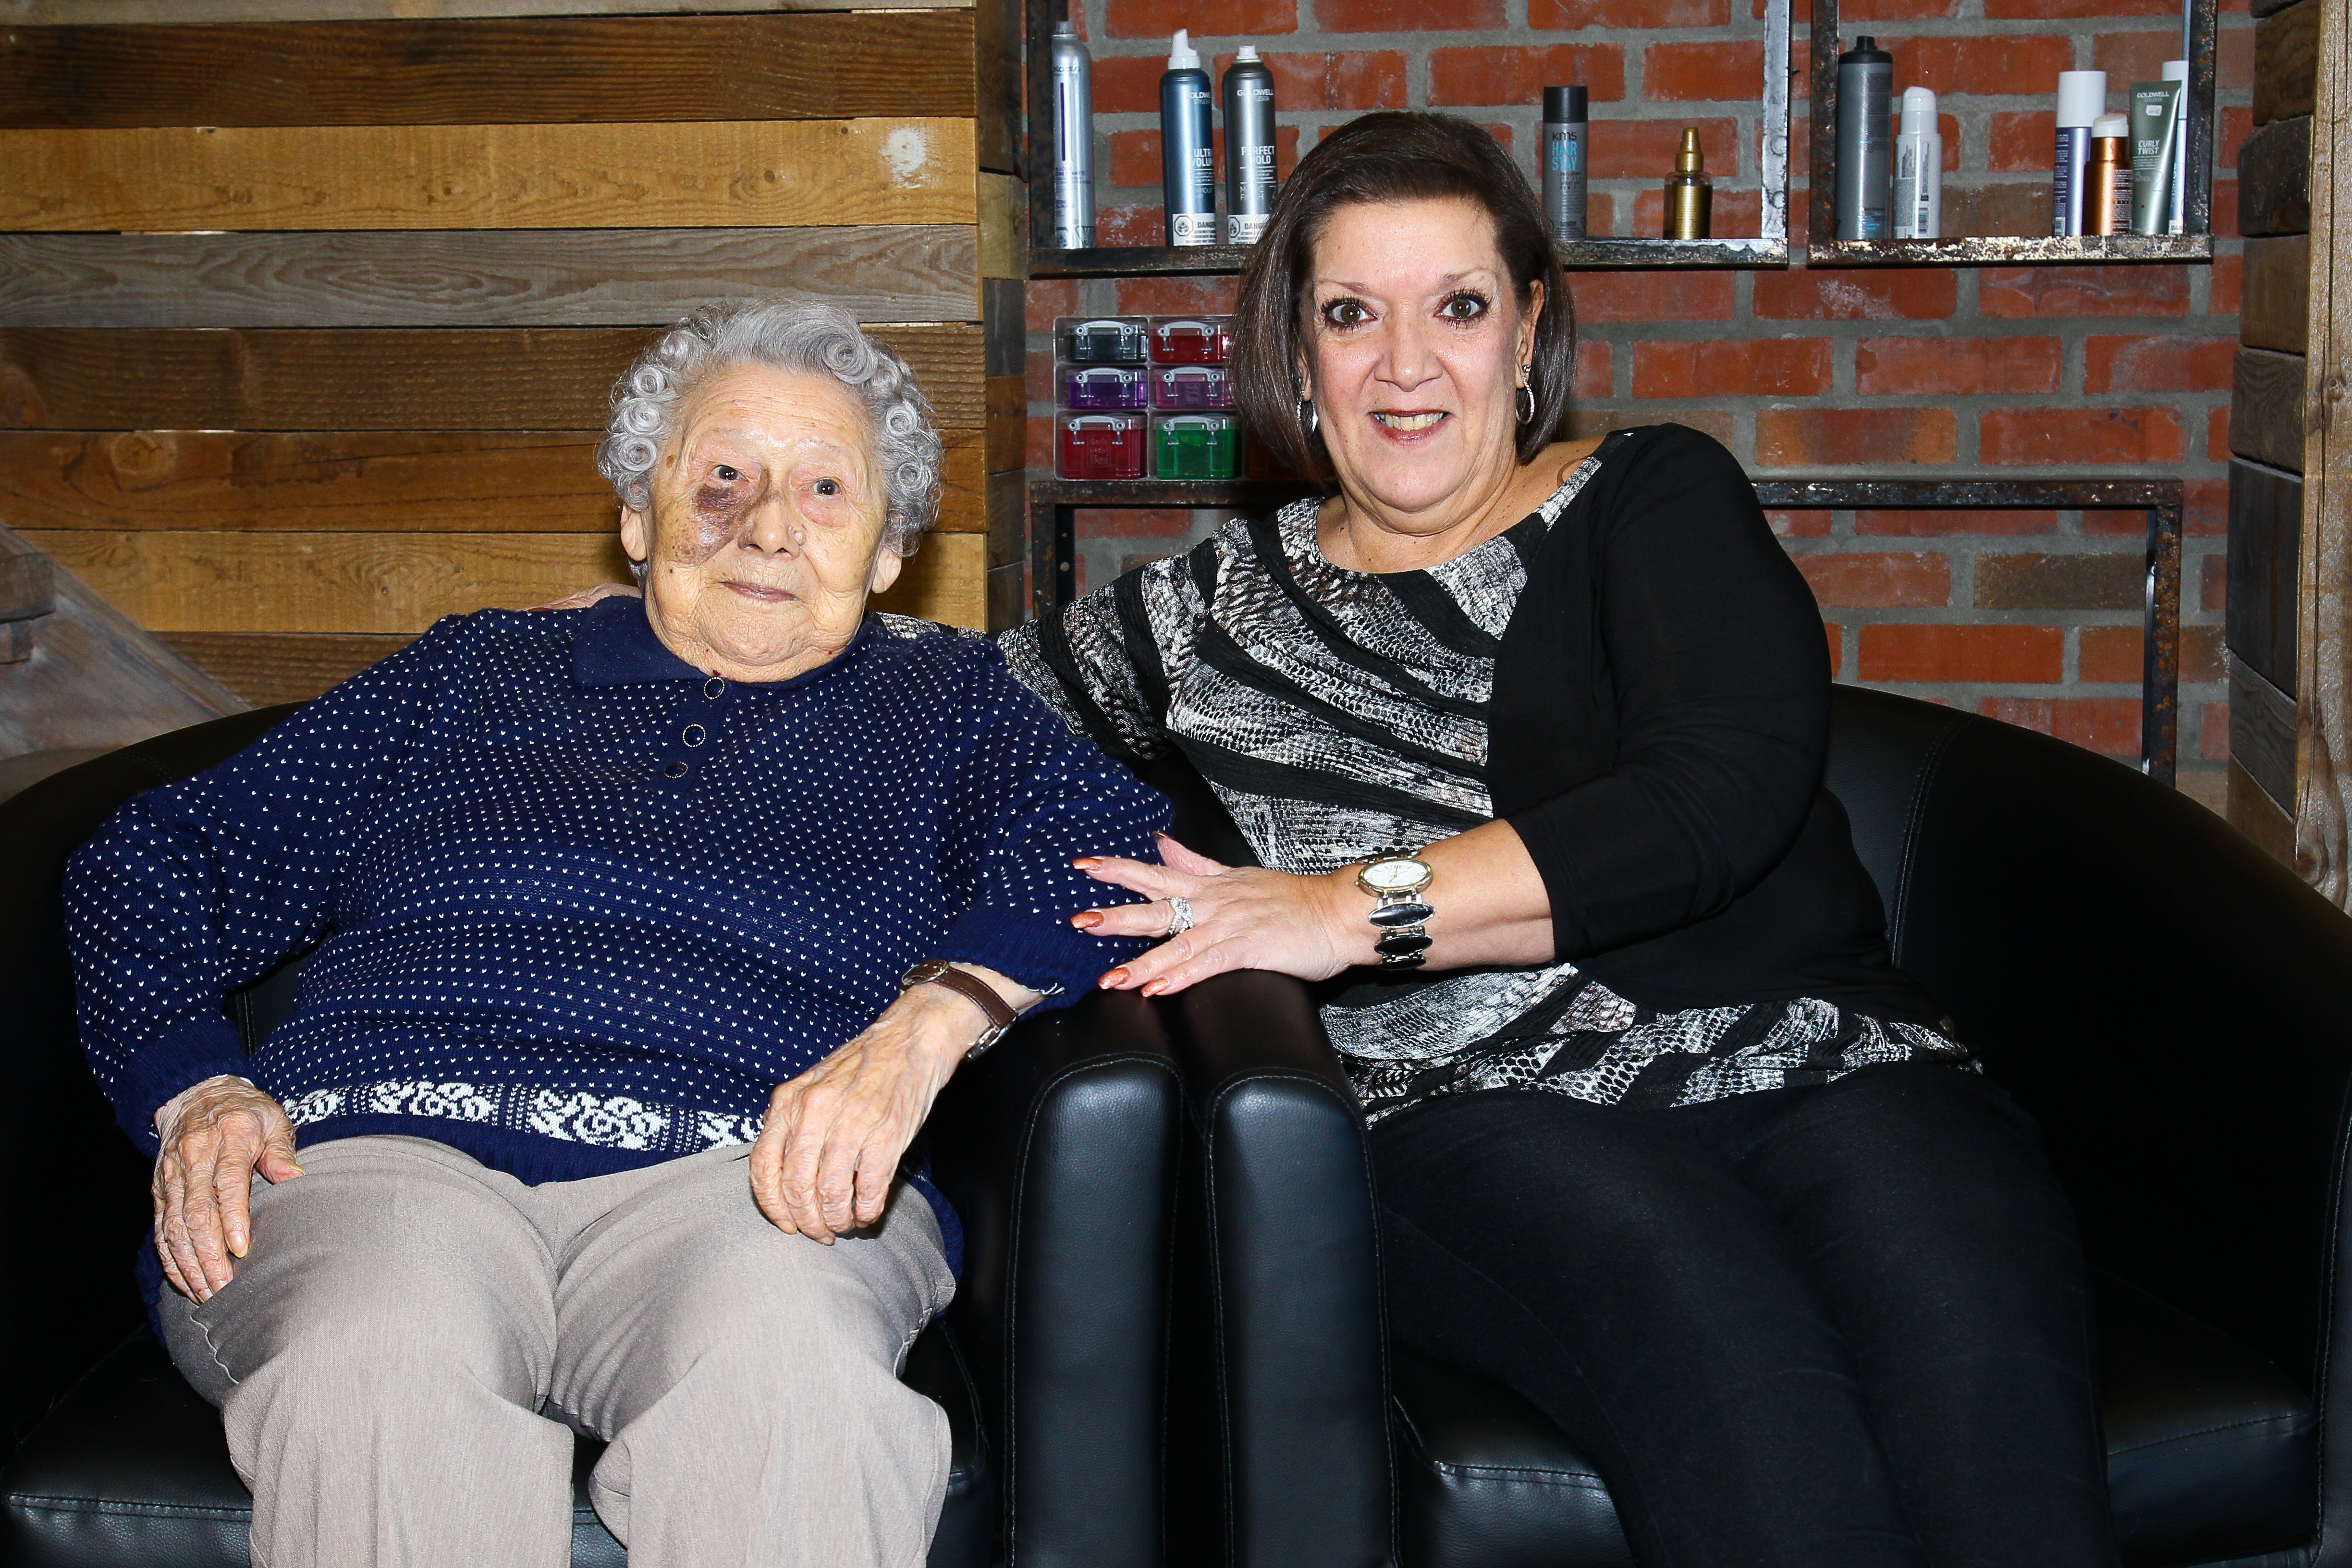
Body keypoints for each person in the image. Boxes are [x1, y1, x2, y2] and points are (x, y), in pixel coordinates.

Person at [1004, 113, 2119, 1566]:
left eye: (1457, 308)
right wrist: (681, 632)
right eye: (1353, 314)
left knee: (1990, 1405)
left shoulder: (1650, 498)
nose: (1407, 364)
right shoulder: (1199, 612)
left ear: (1528, 332)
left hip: (1823, 1063)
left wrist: (1346, 908)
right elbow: (945, 722)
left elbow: (1714, 796)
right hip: (1477, 1111)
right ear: (1296, 352)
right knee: (1746, 1379)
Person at [63, 300, 1169, 1568]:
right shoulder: (473, 675)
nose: (764, 528)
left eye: (823, 489)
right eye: (719, 479)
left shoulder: (943, 709)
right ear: (637, 516)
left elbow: (1110, 848)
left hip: (752, 1180)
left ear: (886, 551)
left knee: (795, 1384)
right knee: (379, 1363)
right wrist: (195, 1087)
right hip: (375, 1163)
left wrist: (934, 1023)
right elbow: (153, 858)